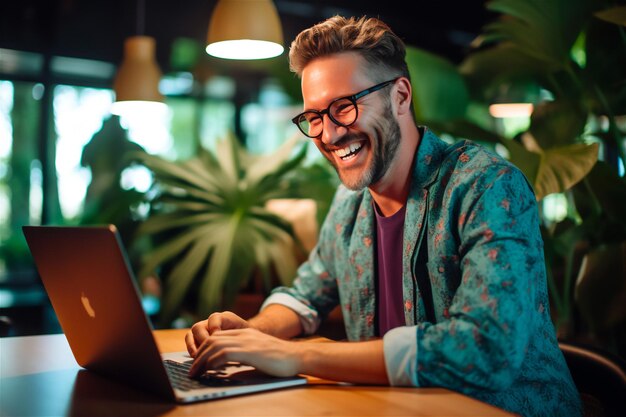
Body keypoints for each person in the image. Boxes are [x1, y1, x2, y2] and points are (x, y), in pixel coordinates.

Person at [186, 15, 582, 417]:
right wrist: (252, 333)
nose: (328, 134)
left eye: (344, 107)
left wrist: (296, 356)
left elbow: (485, 349)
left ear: (401, 96)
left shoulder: (487, 186)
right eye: (315, 117)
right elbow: (306, 295)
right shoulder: (349, 204)